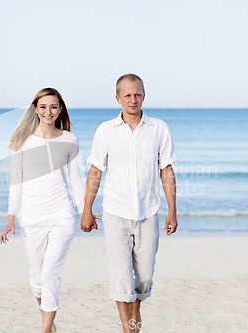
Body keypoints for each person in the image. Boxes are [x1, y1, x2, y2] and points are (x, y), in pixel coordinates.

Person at [81, 74, 178, 333]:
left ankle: (136, 306)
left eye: (137, 94)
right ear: (118, 98)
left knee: (144, 276)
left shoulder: (159, 128)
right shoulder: (105, 131)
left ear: (144, 95)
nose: (132, 100)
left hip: (148, 212)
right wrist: (87, 210)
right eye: (127, 95)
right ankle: (128, 327)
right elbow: (95, 172)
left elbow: (166, 170)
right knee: (121, 275)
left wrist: (172, 211)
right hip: (115, 212)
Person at [0, 88, 85, 333]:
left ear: (60, 110)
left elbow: (75, 179)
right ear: (36, 109)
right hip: (33, 216)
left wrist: (84, 212)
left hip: (62, 214)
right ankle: (50, 322)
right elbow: (16, 180)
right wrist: (10, 217)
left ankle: (45, 329)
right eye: (43, 106)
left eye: (54, 107)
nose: (48, 112)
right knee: (37, 279)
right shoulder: (22, 140)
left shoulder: (69, 140)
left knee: (50, 273)